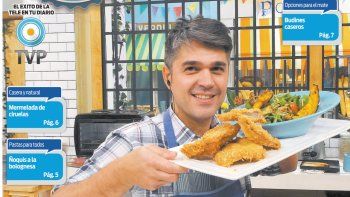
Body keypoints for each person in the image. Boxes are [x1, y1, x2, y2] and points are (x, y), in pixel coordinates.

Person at [53, 16, 297, 197]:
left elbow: (286, 166)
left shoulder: (240, 136)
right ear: (168, 77)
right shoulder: (134, 139)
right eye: (191, 68)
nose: (207, 82)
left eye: (217, 69)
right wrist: (121, 174)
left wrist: (288, 133)